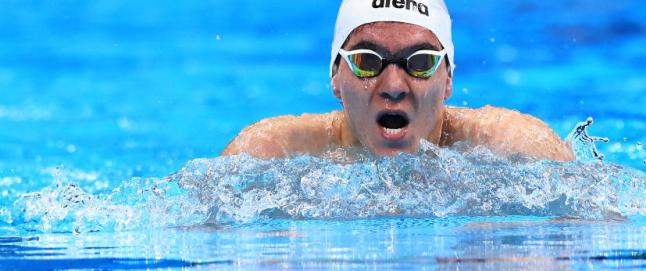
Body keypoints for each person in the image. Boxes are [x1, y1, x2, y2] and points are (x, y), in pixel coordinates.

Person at [222, 0, 575, 161]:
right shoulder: (269, 151)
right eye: (366, 62)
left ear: (448, 78)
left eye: (420, 62)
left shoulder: (518, 148)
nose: (393, 85)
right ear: (334, 76)